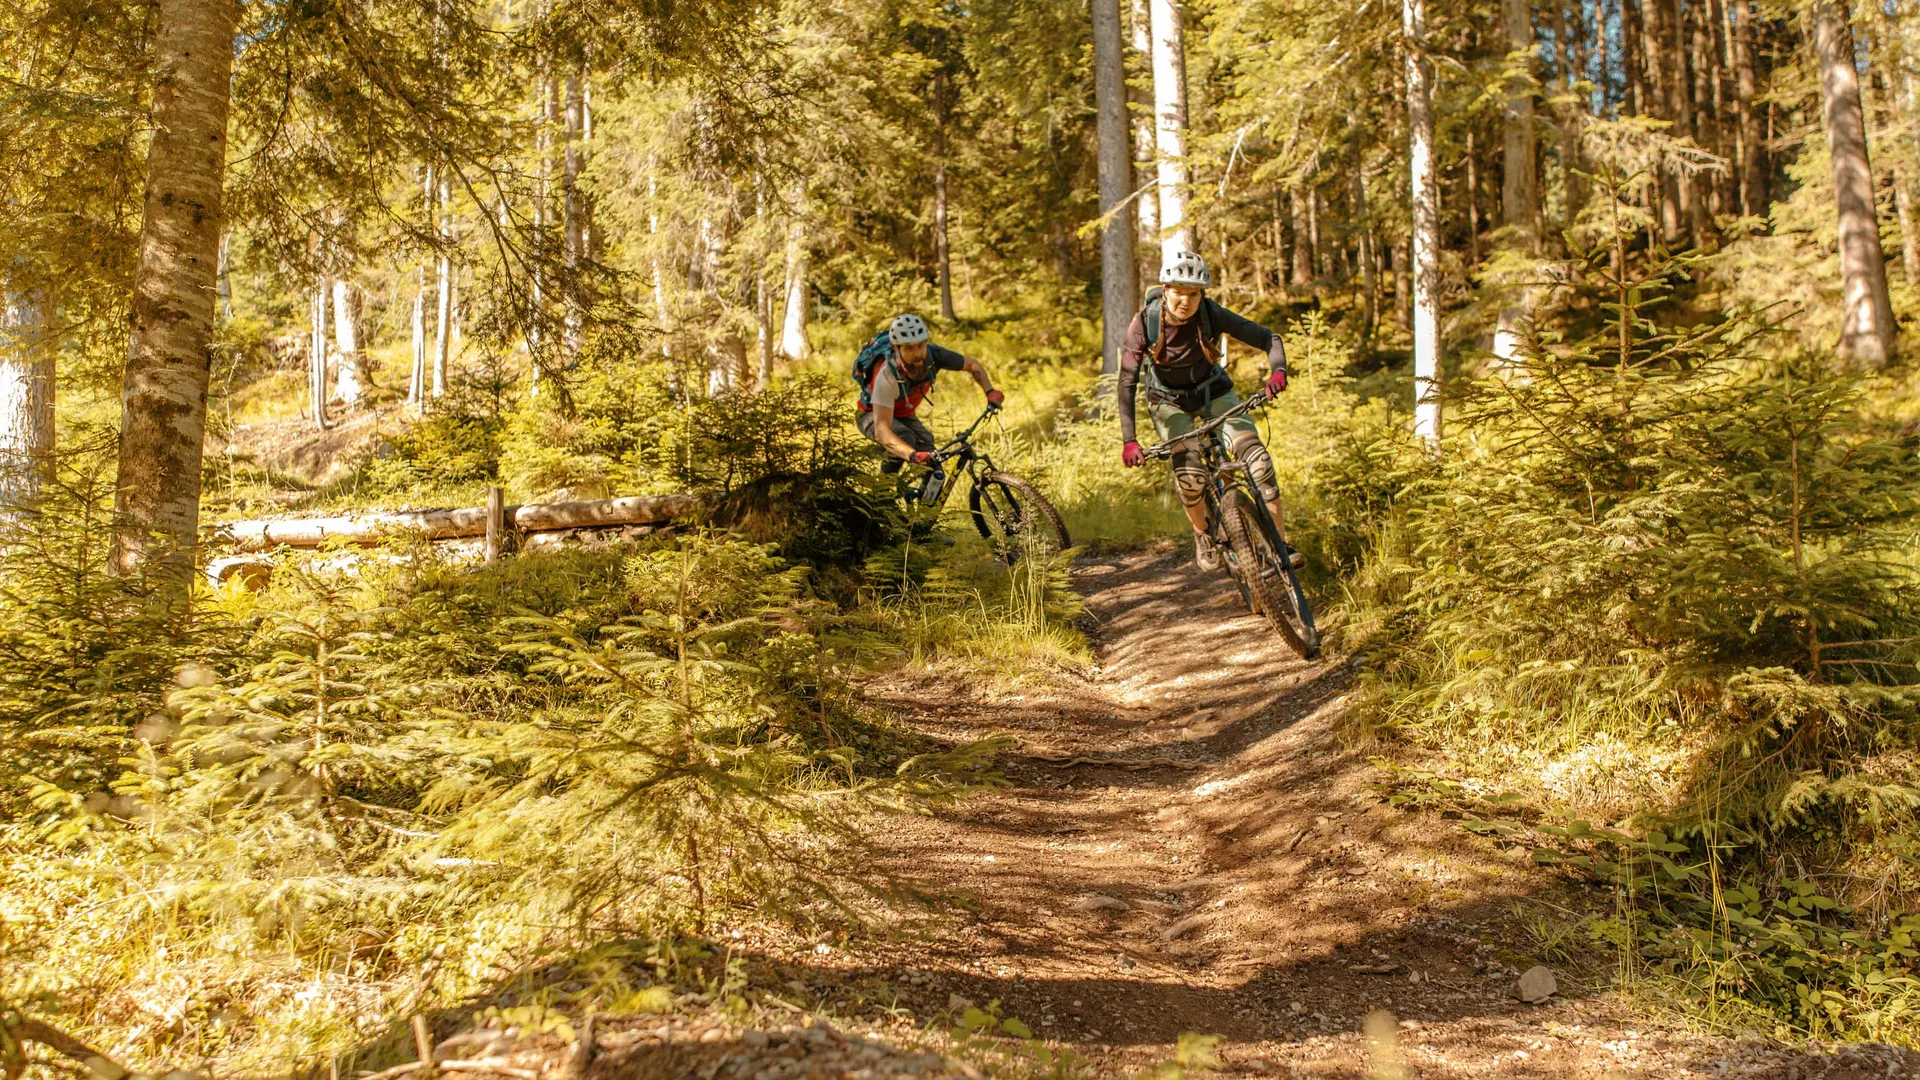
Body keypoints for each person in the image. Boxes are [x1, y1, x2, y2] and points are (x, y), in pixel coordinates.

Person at [1116, 251, 1300, 572]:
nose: (1185, 301)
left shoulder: (1211, 313)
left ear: (1202, 294)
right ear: (1165, 289)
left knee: (1258, 461)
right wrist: (1129, 440)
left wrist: (1278, 370)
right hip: (1168, 401)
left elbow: (1267, 337)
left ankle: (1280, 546)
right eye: (1177, 292)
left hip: (1214, 391)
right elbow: (1127, 382)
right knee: (1189, 474)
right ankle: (1203, 533)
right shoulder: (1145, 322)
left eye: (1193, 293)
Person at [855, 313, 1004, 473]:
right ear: (896, 349)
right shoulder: (887, 376)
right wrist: (912, 455)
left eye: (920, 345)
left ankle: (928, 496)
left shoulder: (934, 356)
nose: (917, 353)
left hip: (903, 414)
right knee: (905, 437)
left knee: (932, 459)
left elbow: (972, 365)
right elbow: (881, 431)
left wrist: (989, 391)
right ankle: (883, 491)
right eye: (909, 348)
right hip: (871, 414)